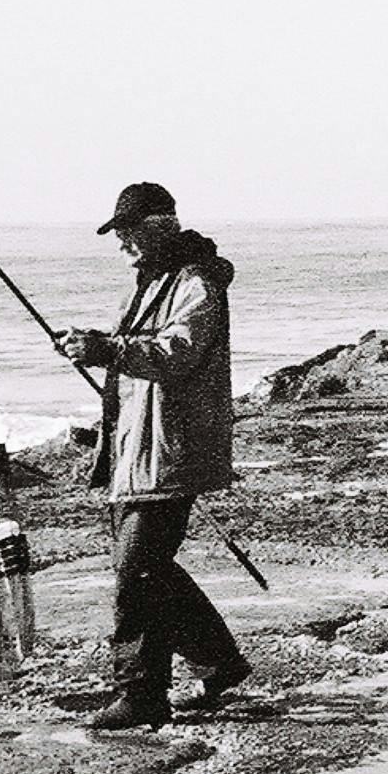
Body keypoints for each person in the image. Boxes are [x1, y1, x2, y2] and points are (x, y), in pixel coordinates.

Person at [63, 181, 249, 729]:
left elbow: (177, 353)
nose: (121, 244)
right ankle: (219, 663)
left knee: (136, 572)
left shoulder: (196, 284)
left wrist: (106, 349)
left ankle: (142, 693)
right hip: (140, 449)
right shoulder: (151, 283)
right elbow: (140, 357)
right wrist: (94, 346)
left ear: (159, 226)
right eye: (118, 234)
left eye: (127, 232)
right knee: (148, 569)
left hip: (170, 452)